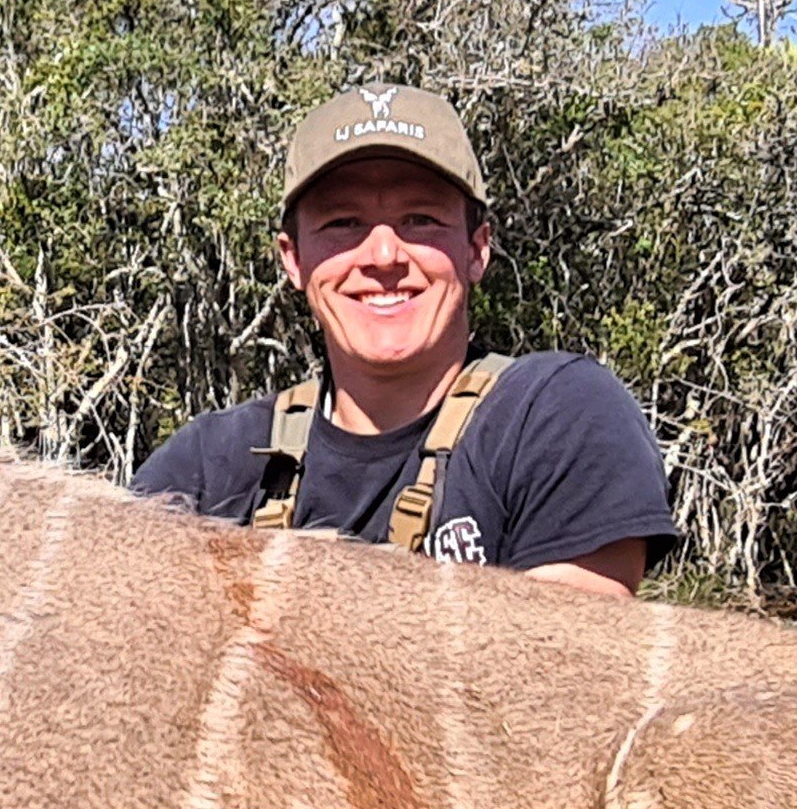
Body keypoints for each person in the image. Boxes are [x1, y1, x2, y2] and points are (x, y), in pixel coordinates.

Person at [131, 83, 679, 597]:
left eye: (420, 219)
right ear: (294, 260)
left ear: (476, 248)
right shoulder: (209, 462)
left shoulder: (554, 415)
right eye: (344, 223)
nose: (384, 256)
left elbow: (561, 674)